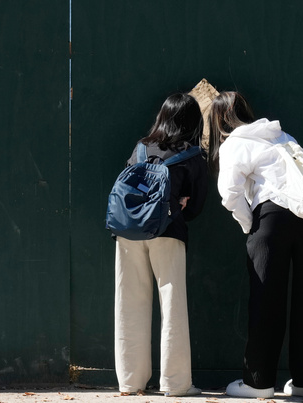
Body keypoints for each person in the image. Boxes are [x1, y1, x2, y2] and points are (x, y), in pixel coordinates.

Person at [209, 91, 303, 399]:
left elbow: (229, 192)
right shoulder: (281, 135)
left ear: (219, 119)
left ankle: (259, 383)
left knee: (267, 299)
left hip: (273, 216)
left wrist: (249, 225)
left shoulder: (235, 141)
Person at [114, 92, 209, 397]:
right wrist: (178, 206)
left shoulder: (141, 148)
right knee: (172, 306)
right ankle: (176, 384)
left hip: (128, 233)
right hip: (167, 231)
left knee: (129, 305)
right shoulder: (192, 155)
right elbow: (195, 209)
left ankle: (130, 382)